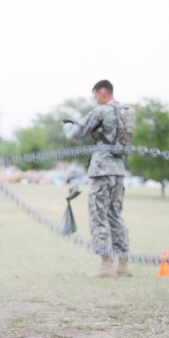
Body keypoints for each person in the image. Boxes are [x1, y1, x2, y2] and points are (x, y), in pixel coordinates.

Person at [62, 80, 131, 278]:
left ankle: (106, 265)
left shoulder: (102, 111)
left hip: (101, 171)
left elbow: (77, 132)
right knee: (115, 216)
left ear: (102, 93)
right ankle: (123, 264)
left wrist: (67, 126)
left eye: (95, 96)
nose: (95, 100)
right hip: (119, 169)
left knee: (99, 217)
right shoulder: (127, 112)